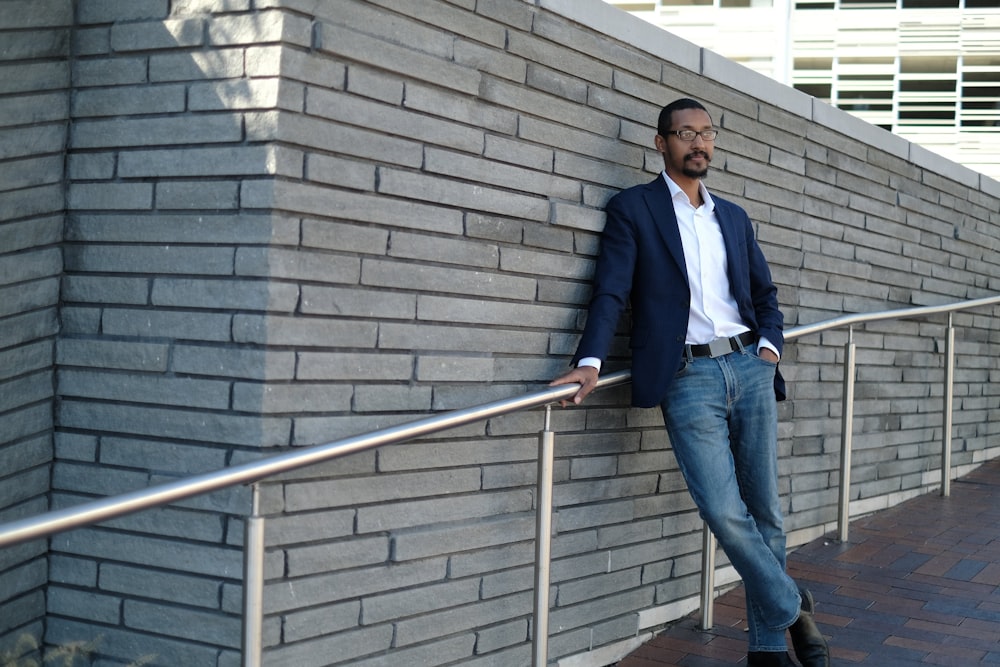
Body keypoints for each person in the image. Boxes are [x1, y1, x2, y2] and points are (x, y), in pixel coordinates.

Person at [550, 98, 830, 667]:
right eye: (685, 134)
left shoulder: (732, 215)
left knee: (766, 512)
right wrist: (591, 359)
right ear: (662, 143)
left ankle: (768, 649)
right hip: (687, 376)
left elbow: (764, 295)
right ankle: (792, 603)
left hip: (749, 366)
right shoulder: (635, 208)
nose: (698, 143)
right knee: (724, 511)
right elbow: (611, 290)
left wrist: (769, 347)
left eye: (706, 133)